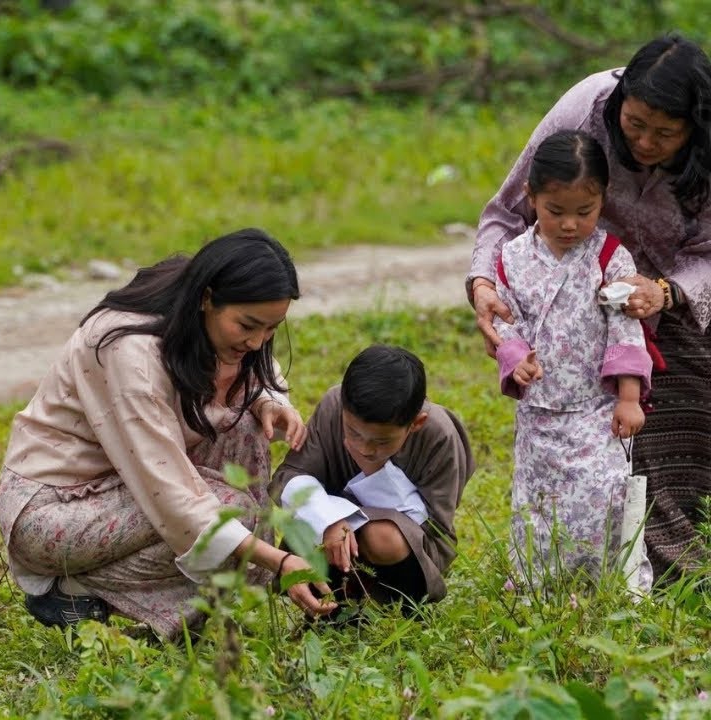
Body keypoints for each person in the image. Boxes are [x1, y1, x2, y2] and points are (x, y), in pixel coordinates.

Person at [0, 228, 337, 642]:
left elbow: (250, 373)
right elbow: (169, 491)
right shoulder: (127, 349)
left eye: (271, 329)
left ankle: (194, 608)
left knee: (246, 430)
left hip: (122, 490)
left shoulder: (202, 320)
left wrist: (268, 399)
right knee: (233, 515)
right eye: (247, 325)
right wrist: (276, 559)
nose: (257, 341)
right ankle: (71, 590)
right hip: (53, 511)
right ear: (208, 297)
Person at [469, 34, 711, 580]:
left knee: (680, 418)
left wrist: (666, 291)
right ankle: (579, 564)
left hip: (677, 295)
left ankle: (671, 561)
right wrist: (485, 288)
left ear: (694, 128)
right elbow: (505, 214)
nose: (646, 142)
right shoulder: (586, 108)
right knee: (576, 453)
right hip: (582, 298)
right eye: (635, 125)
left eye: (666, 133)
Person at [490, 129, 653, 589]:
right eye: (555, 211)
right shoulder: (512, 257)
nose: (569, 225)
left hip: (596, 408)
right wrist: (515, 355)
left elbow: (625, 326)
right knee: (538, 501)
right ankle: (536, 582)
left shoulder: (609, 256)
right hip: (540, 409)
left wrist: (628, 397)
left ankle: (615, 580)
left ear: (603, 200)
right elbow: (506, 318)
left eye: (584, 212)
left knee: (604, 492)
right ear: (531, 197)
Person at [270, 345, 474, 616]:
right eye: (353, 432)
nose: (365, 448)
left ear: (416, 423)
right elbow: (289, 477)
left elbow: (432, 523)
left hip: (410, 547)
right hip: (329, 538)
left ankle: (397, 609)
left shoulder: (439, 435)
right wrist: (329, 519)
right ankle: (334, 605)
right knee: (321, 526)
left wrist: (375, 472)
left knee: (382, 537)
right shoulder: (334, 406)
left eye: (381, 441)